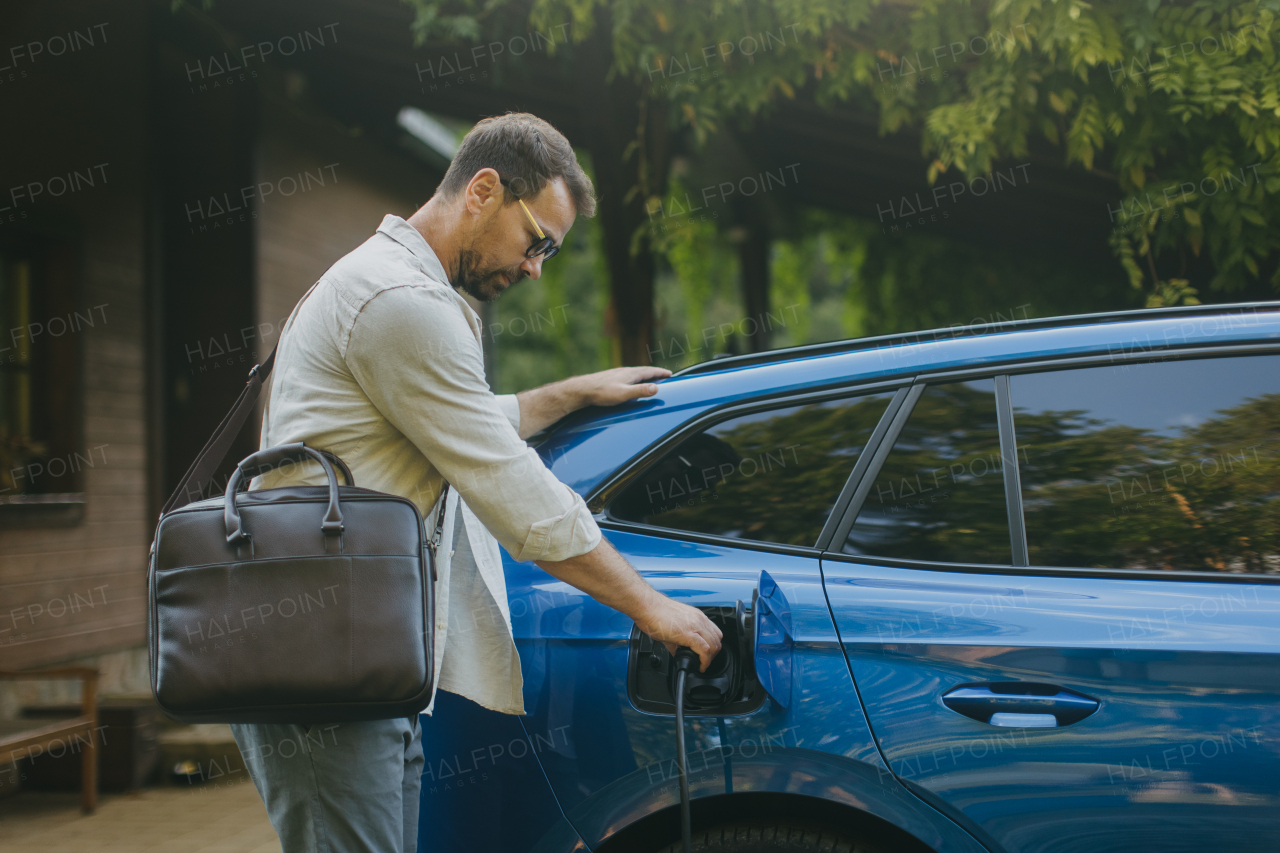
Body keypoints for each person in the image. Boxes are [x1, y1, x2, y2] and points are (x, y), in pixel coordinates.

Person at [230, 112, 723, 853]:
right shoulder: (400, 301)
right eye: (539, 242)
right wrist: (651, 606)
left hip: (363, 662)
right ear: (484, 191)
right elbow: (515, 495)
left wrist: (566, 393)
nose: (536, 269)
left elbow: (449, 421)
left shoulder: (387, 284)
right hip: (324, 668)